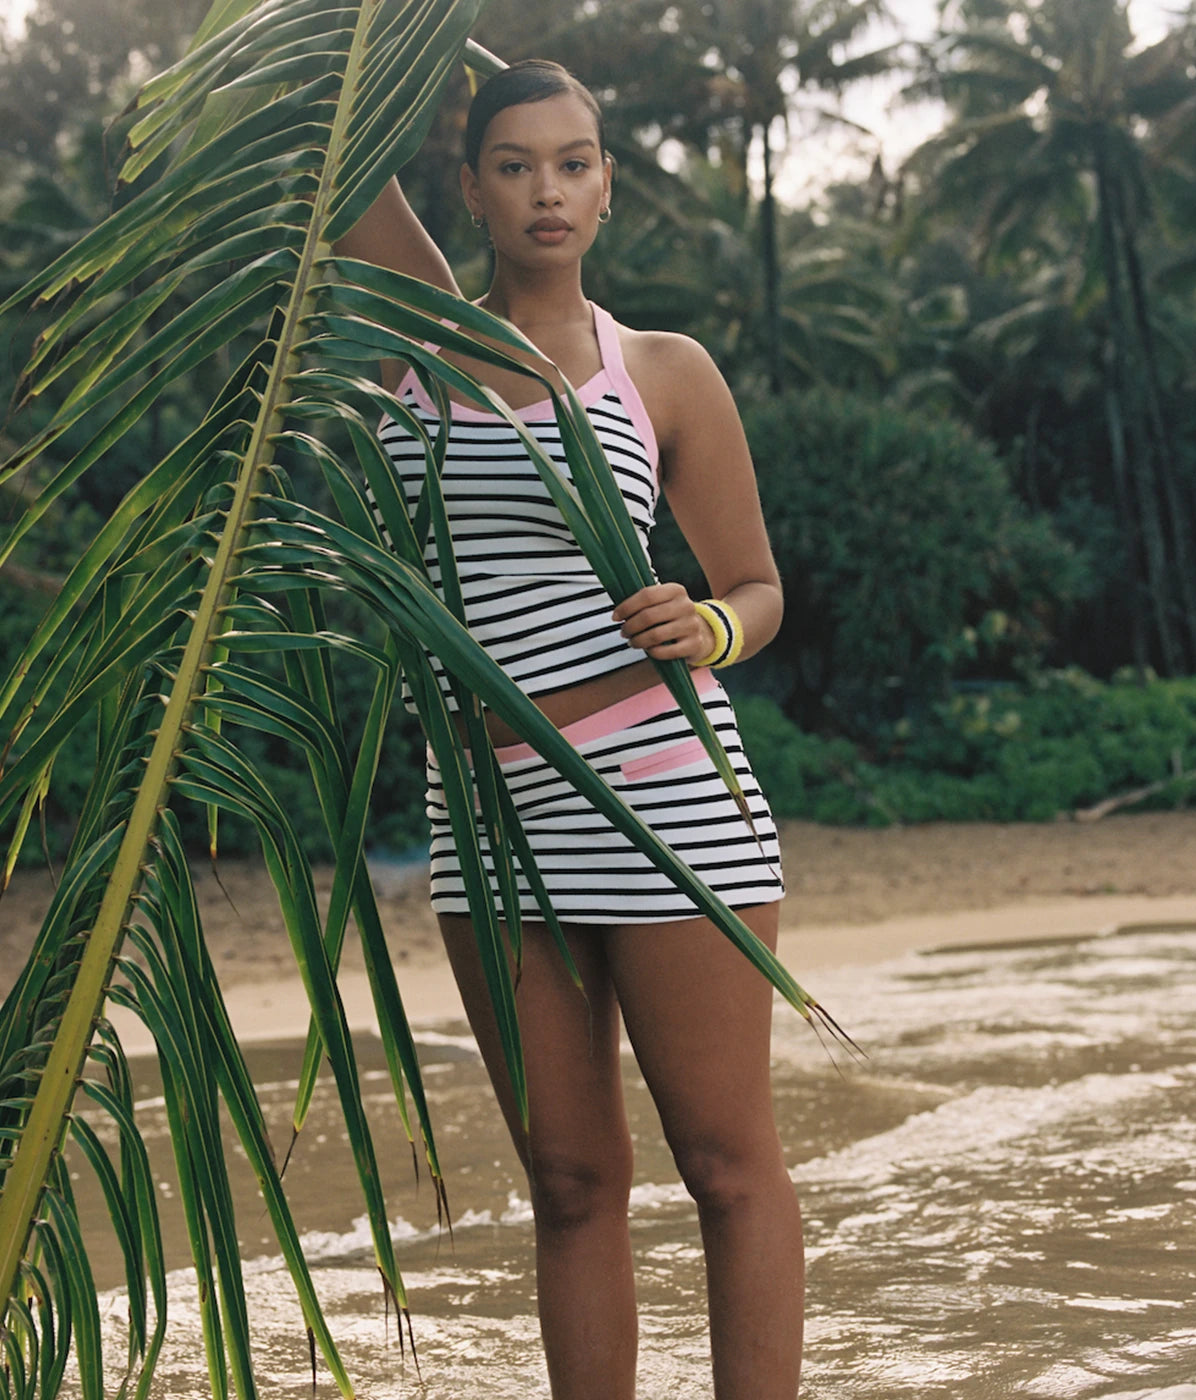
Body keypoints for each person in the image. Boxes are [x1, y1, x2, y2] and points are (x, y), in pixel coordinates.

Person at [336, 59, 802, 1400]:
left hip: (668, 795)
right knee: (572, 1179)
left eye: (577, 161)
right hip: (484, 821)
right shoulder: (420, 339)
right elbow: (329, 105)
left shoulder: (662, 370)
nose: (549, 189)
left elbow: (759, 588)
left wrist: (703, 629)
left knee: (724, 1161)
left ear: (607, 185)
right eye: (516, 163)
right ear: (468, 185)